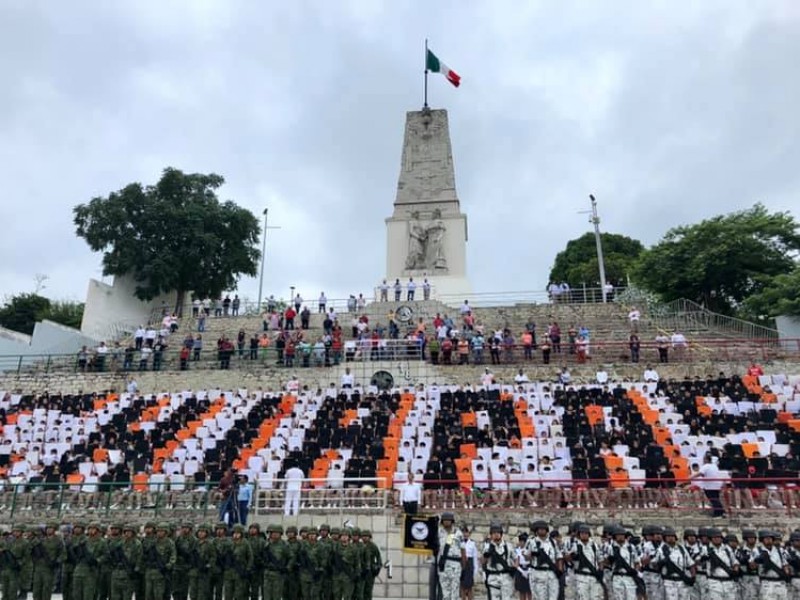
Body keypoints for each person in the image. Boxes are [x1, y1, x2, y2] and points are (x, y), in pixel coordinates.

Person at [481, 522, 516, 600]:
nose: (496, 534)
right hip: (493, 577)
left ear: (501, 534)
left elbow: (516, 557)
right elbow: (483, 562)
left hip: (506, 577)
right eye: (494, 533)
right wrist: (486, 554)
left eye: (498, 532)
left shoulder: (508, 546)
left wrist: (515, 566)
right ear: (491, 534)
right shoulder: (487, 546)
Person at [435, 512, 466, 600]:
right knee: (445, 593)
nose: (446, 522)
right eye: (445, 520)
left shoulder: (458, 533)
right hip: (443, 564)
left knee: (455, 593)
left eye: (448, 520)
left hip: (455, 564)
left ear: (452, 521)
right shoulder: (438, 532)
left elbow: (463, 549)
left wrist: (464, 566)